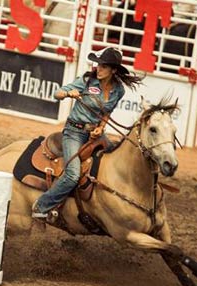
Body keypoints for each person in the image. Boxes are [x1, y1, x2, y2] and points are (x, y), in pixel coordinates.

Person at [32, 46, 143, 219]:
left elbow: (107, 112)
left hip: (94, 135)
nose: (98, 69)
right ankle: (41, 206)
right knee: (72, 174)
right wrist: (69, 93)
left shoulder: (119, 90)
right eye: (98, 65)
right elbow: (57, 93)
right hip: (73, 132)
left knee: (116, 160)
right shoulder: (86, 81)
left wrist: (101, 128)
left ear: (113, 70)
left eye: (103, 66)